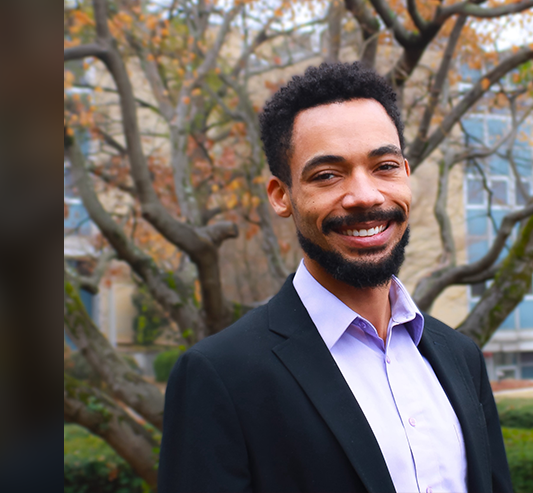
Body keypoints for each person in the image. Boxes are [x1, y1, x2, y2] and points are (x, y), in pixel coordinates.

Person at [158, 62, 512, 493]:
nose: (365, 195)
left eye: (384, 166)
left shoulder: (461, 356)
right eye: (327, 175)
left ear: (406, 172)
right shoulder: (220, 376)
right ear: (281, 196)